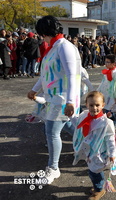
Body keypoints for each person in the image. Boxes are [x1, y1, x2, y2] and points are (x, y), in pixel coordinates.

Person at [27, 15, 82, 184]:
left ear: (45, 31)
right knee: (67, 127)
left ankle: (53, 168)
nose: (39, 36)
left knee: (51, 132)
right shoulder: (54, 47)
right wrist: (35, 89)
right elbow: (46, 75)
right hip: (53, 98)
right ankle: (87, 146)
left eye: (40, 33)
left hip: (63, 98)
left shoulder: (65, 47)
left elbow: (73, 76)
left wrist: (71, 101)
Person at [72, 91, 116, 200]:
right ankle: (98, 186)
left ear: (103, 105)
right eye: (91, 105)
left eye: (97, 105)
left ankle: (99, 190)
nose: (94, 108)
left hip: (99, 153)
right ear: (86, 104)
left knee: (94, 172)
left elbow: (110, 139)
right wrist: (70, 117)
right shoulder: (84, 115)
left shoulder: (106, 123)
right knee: (93, 170)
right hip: (89, 151)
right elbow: (78, 124)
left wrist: (112, 153)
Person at [96, 54, 116, 124]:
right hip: (105, 94)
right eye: (105, 62)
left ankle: (112, 127)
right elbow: (103, 82)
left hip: (112, 95)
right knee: (105, 111)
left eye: (108, 62)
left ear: (113, 63)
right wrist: (97, 91)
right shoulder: (106, 71)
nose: (106, 63)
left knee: (109, 112)